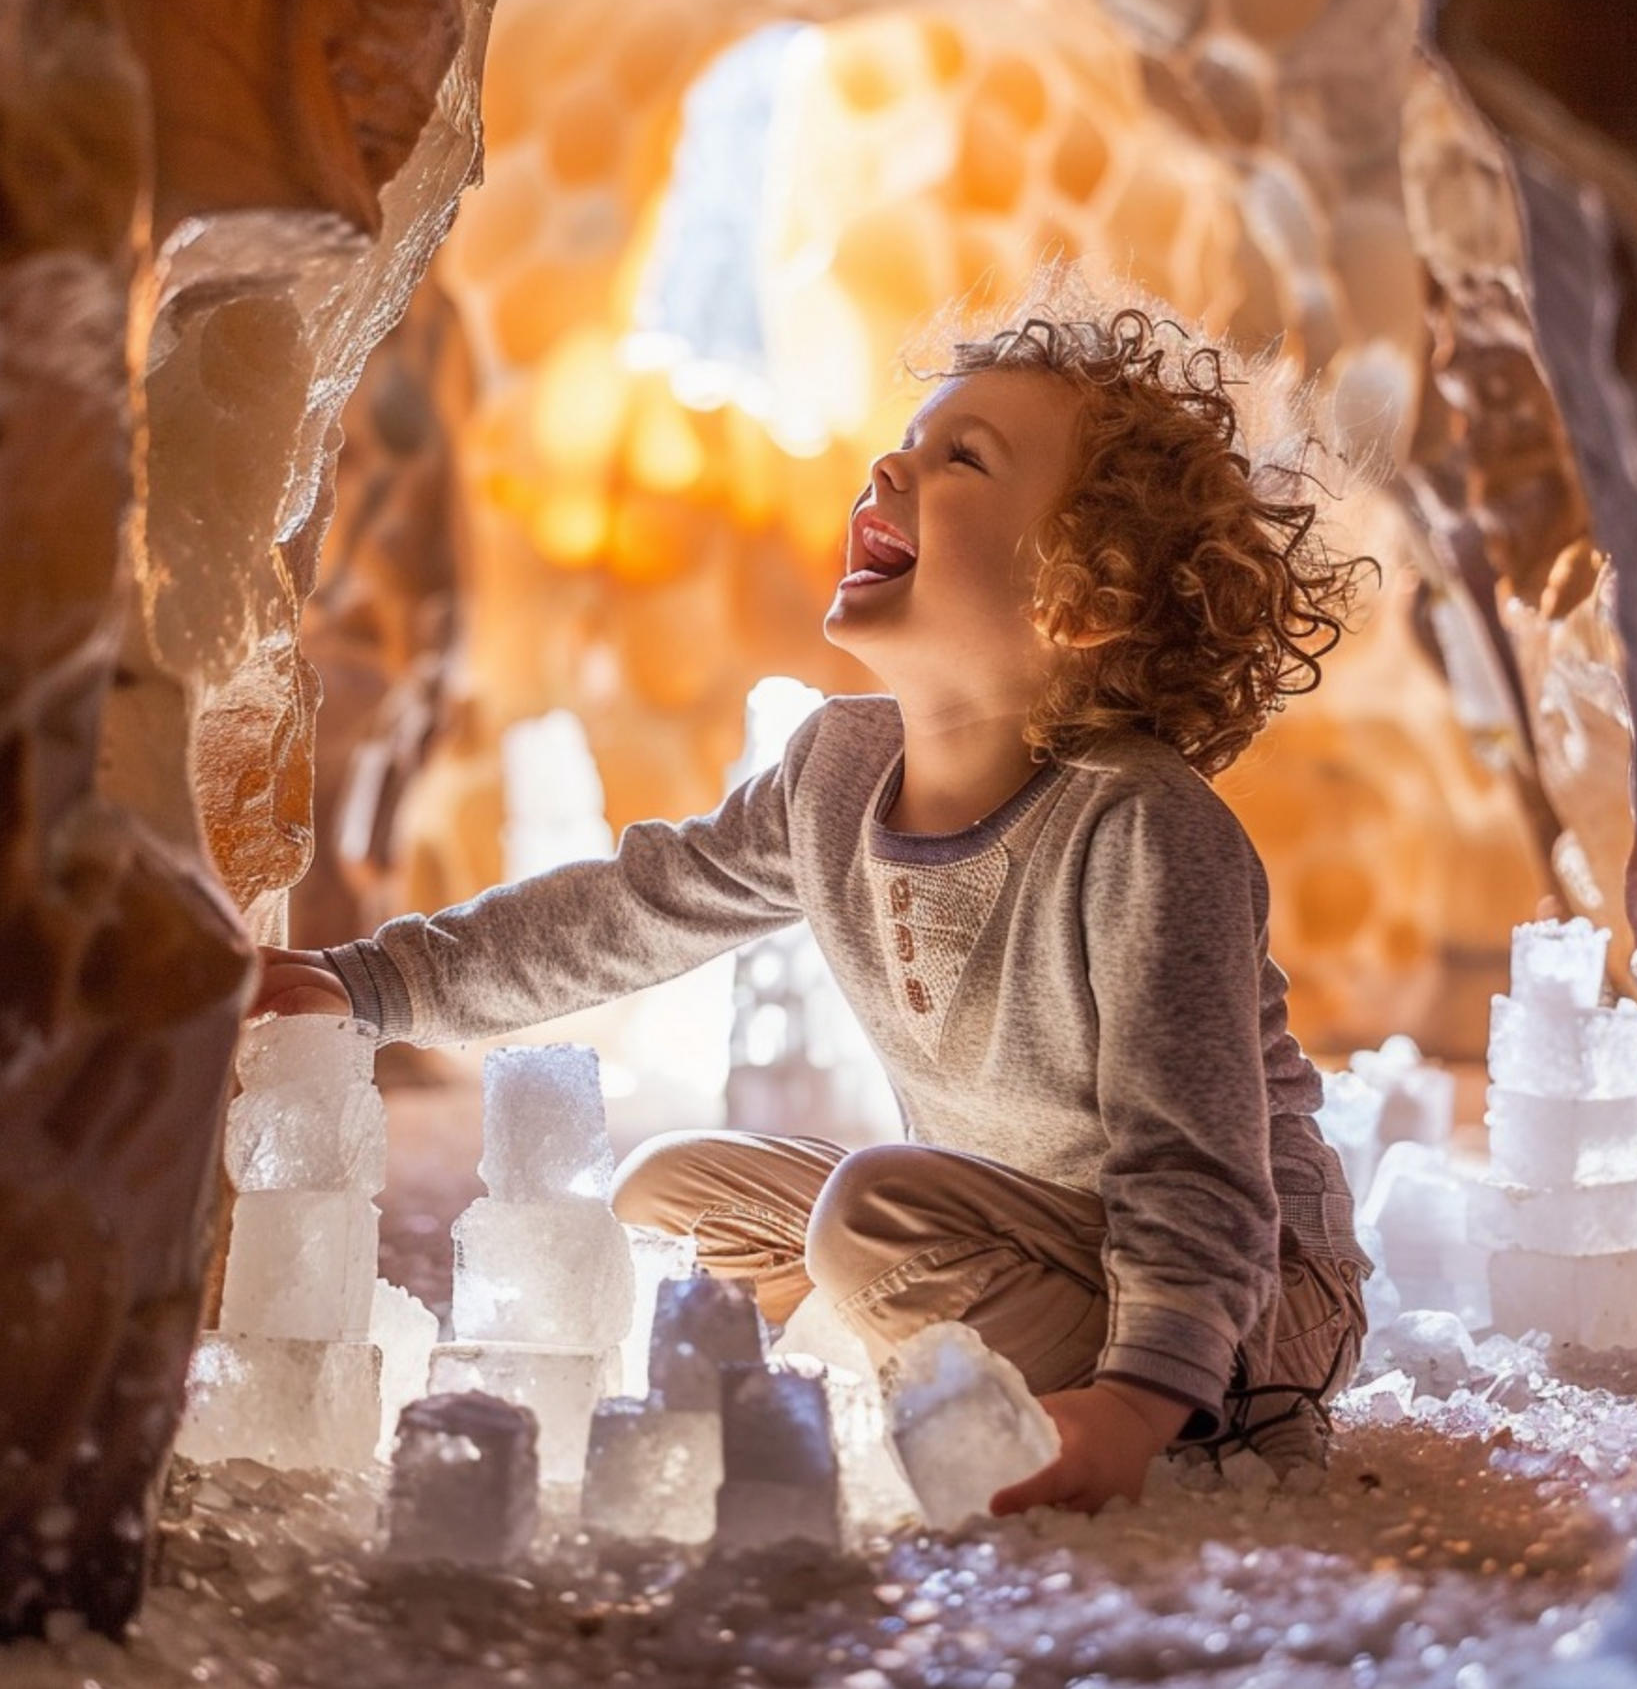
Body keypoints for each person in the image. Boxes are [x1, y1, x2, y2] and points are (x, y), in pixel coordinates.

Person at [253, 279, 1376, 1515]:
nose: (888, 470)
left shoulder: (1144, 830)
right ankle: (899, 1352)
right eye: (903, 444)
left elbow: (1198, 1165)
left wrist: (1136, 1406)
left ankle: (1109, 1399)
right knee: (665, 1196)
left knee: (870, 1217)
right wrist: (377, 984)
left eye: (961, 459)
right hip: (1031, 1231)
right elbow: (633, 910)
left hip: (1246, 1294)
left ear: (1081, 598)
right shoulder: (834, 774)